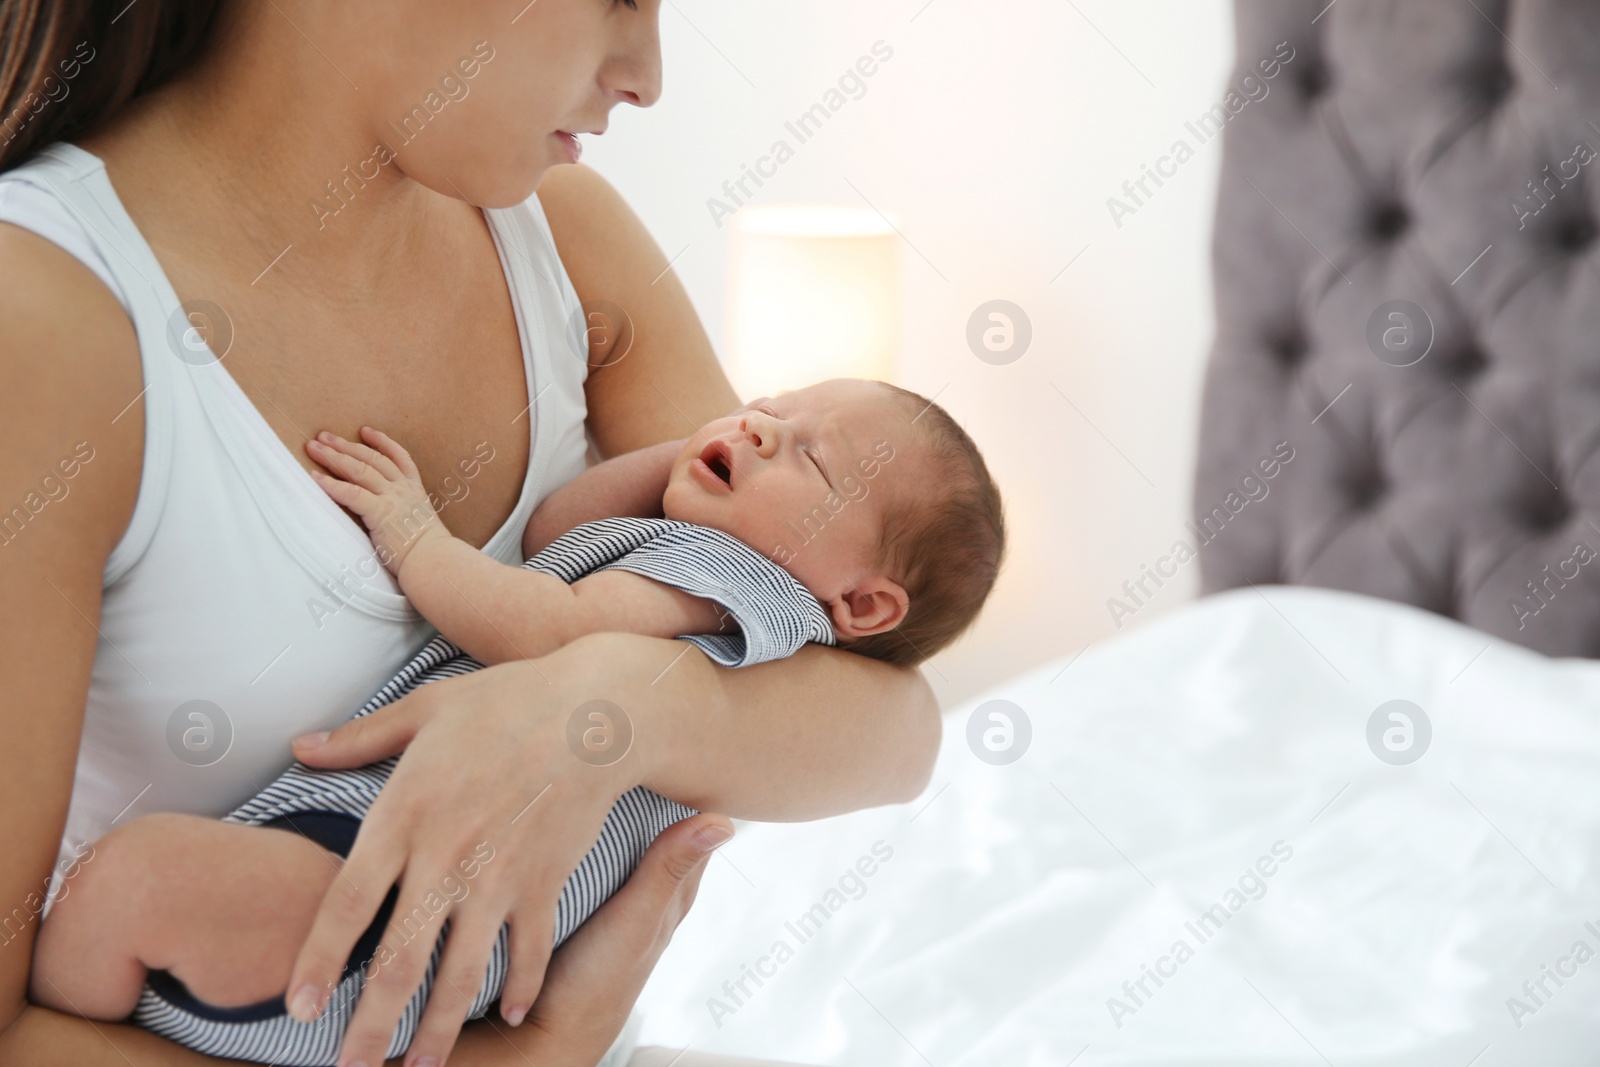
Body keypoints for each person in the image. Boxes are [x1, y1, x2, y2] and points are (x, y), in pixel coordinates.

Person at [0, 2, 961, 1065]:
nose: (645, 77)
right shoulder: (43, 318)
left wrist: (604, 707)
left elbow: (895, 721)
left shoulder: (566, 238)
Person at [27, 378, 1005, 1065]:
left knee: (129, 882)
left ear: (865, 606)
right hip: (410, 909)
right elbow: (552, 538)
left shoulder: (749, 590)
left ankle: (84, 1018)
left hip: (404, 899)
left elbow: (544, 621)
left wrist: (414, 534)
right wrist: (704, 451)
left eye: (810, 455)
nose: (757, 428)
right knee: (139, 895)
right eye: (770, 407)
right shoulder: (687, 567)